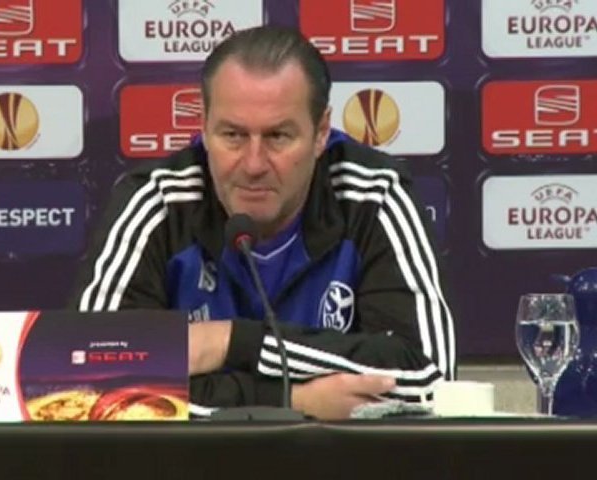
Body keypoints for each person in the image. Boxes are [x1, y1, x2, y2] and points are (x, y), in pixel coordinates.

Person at [69, 25, 456, 420]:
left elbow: (432, 383)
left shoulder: (372, 197)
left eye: (278, 136)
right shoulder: (159, 202)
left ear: (321, 133)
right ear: (203, 126)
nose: (253, 164)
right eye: (233, 135)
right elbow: (87, 383)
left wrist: (231, 342)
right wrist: (292, 401)